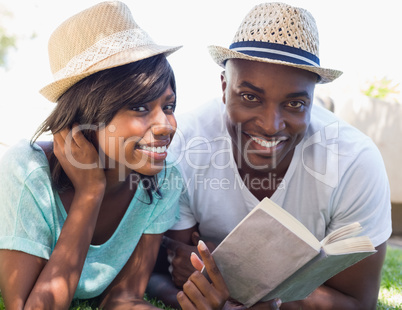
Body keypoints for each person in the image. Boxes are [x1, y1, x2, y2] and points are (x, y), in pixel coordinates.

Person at [148, 2, 392, 309]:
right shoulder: (186, 144)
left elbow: (358, 302)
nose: (270, 125)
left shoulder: (354, 162)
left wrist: (250, 291)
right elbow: (170, 273)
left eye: (294, 105)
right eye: (250, 97)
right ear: (224, 87)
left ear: (312, 101)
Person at [0, 2, 229, 309]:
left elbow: (123, 298)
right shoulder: (26, 170)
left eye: (169, 106)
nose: (167, 125)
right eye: (139, 107)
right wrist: (89, 193)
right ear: (88, 114)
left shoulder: (163, 179)